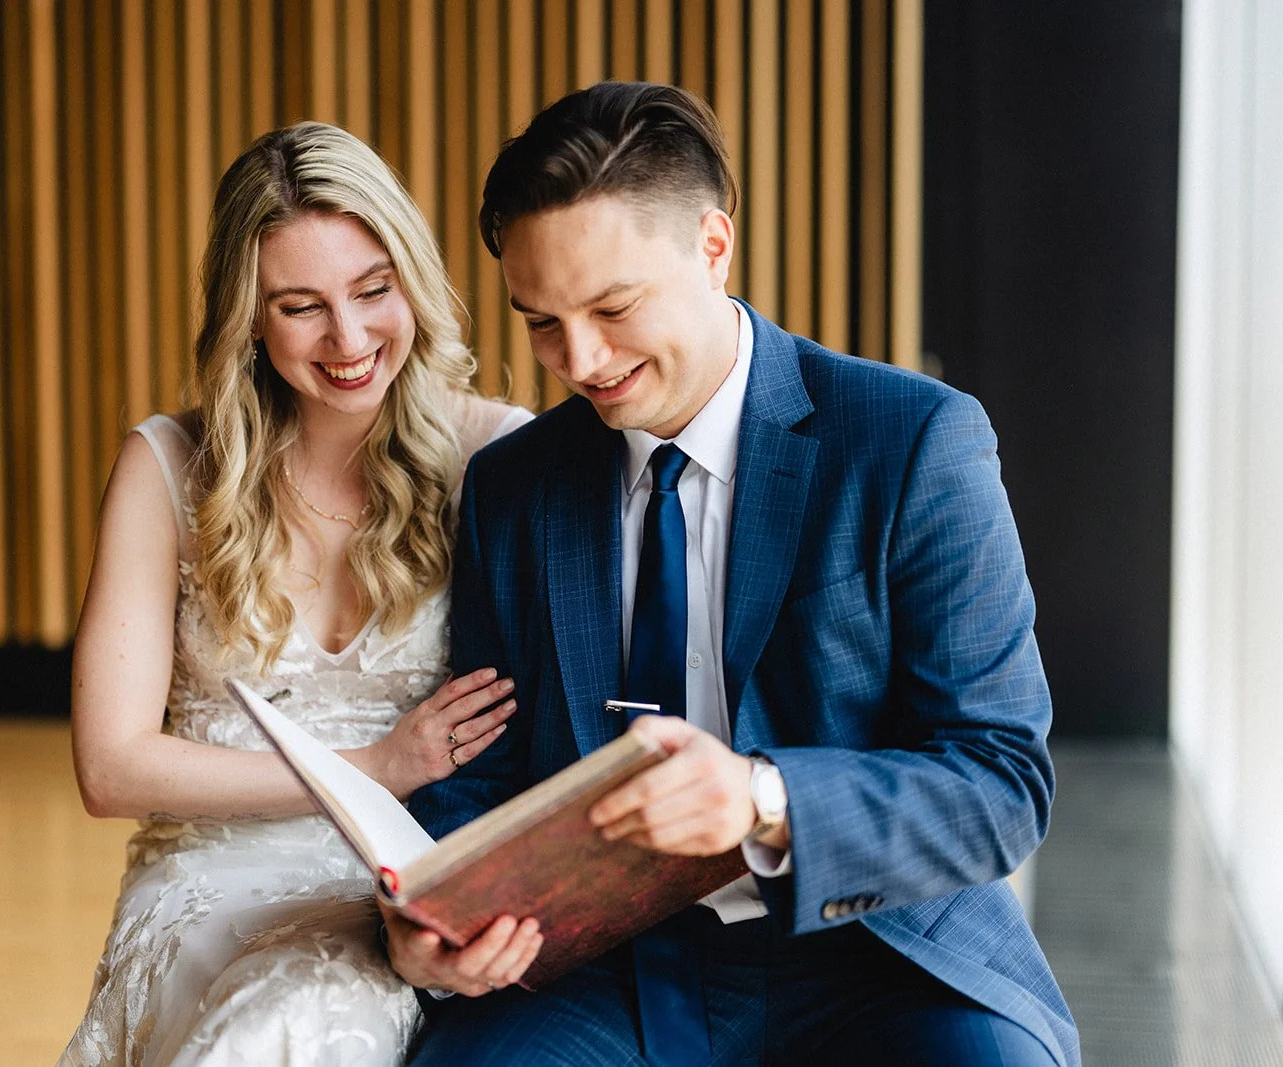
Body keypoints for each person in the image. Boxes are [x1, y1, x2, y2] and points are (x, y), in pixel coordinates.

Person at [384, 82, 1080, 1066]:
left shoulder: (913, 442)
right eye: (540, 321)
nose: (579, 359)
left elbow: (1001, 783)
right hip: (594, 966)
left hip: (873, 946)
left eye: (612, 306)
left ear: (713, 248)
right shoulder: (513, 484)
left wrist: (765, 797)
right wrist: (433, 906)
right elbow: (480, 763)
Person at [57, 122, 531, 1067]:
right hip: (204, 880)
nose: (349, 339)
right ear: (249, 319)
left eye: (372, 290)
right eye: (301, 306)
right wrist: (372, 763)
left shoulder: (500, 455)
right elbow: (109, 768)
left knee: (297, 1016)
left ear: (414, 280)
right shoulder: (167, 467)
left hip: (400, 884)